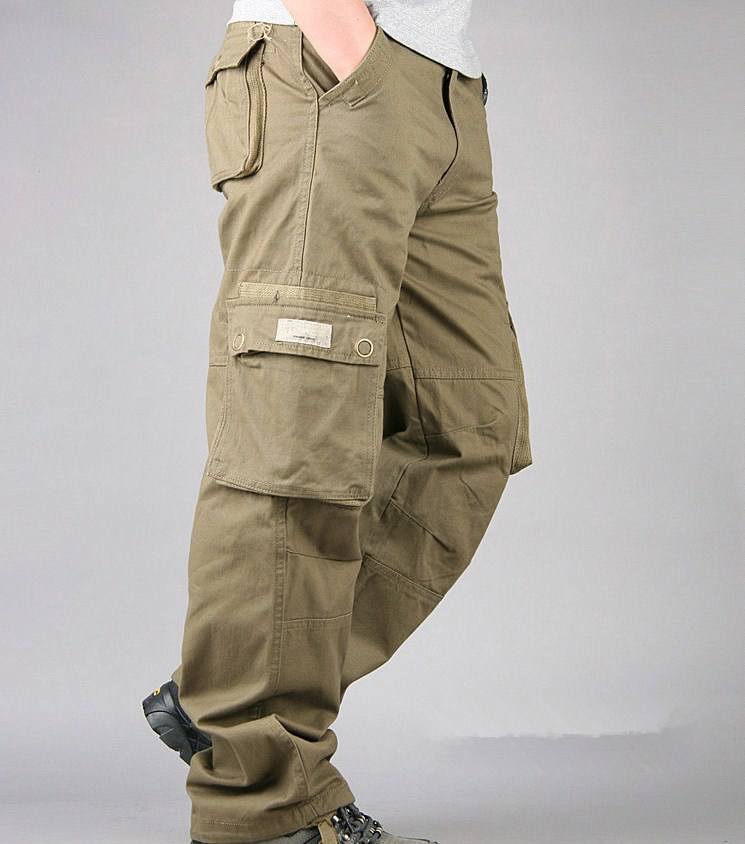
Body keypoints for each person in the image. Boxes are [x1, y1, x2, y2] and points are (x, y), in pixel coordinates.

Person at [143, 1, 532, 842]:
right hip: (333, 70)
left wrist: (418, 74)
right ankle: (258, 802)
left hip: (442, 87)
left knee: (471, 428)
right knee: (296, 441)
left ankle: (230, 695)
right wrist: (358, 57)